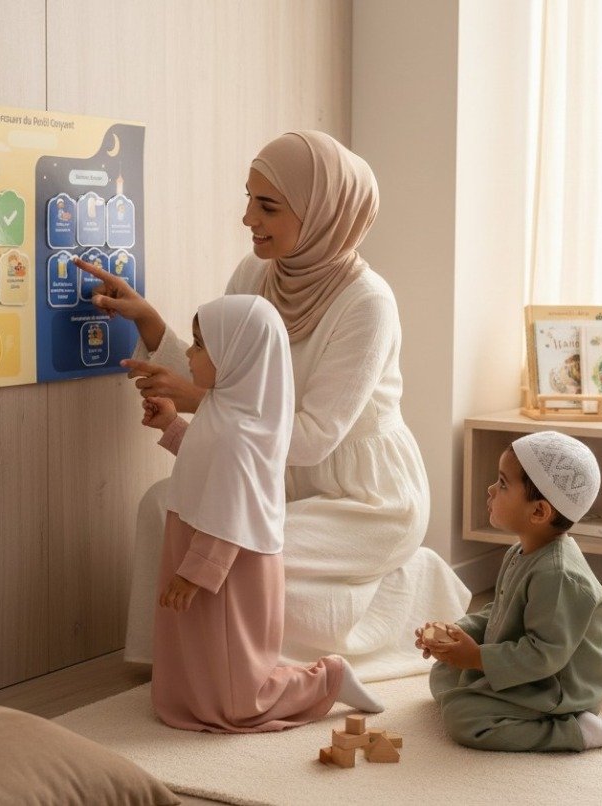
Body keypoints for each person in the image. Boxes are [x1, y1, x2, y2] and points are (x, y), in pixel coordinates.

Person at [77, 130, 469, 681]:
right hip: (273, 478)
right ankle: (165, 657)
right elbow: (215, 366)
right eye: (248, 199)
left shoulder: (367, 303)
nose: (247, 219)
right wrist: (148, 320)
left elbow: (312, 438)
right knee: (161, 504)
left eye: (267, 206)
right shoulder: (253, 276)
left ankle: (406, 587)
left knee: (240, 554)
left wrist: (199, 401)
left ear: (323, 213)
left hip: (363, 500)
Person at [143, 294, 383, 731]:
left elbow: (231, 509)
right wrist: (173, 425)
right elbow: (206, 463)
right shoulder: (226, 407)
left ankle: (326, 678)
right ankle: (193, 698)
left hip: (230, 562)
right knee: (198, 651)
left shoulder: (242, 429)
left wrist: (194, 572)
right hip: (198, 541)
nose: (191, 355)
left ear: (237, 353)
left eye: (200, 345)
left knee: (238, 689)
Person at [414, 431, 602, 752]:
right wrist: (458, 633)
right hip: (526, 669)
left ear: (539, 512)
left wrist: (476, 657)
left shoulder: (558, 575)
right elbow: (498, 611)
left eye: (502, 484)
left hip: (556, 687)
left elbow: (543, 655)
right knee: (444, 673)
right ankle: (488, 688)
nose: (490, 490)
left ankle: (577, 730)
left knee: (464, 717)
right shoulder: (520, 551)